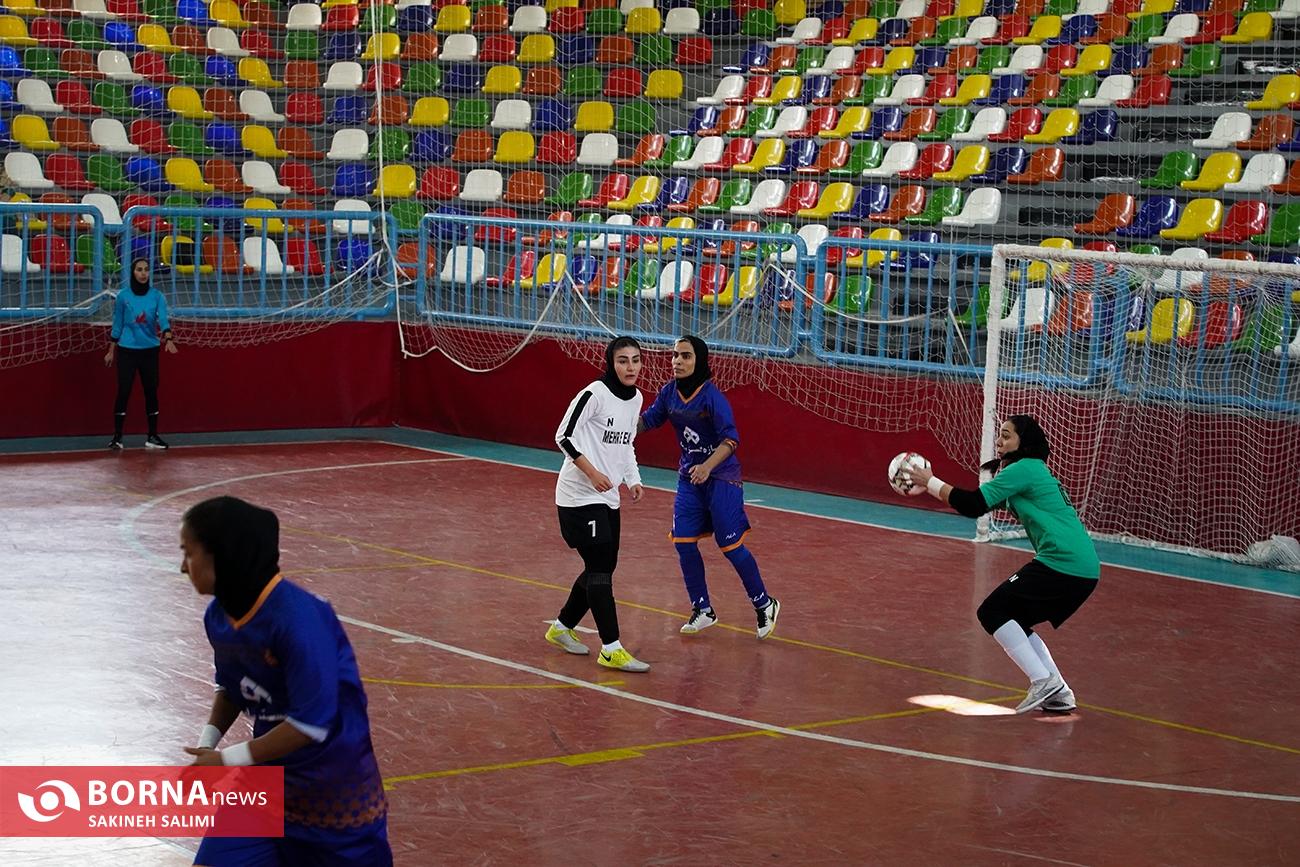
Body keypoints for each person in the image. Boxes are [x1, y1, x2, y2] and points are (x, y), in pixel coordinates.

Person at [180, 496, 393, 866]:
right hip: (265, 782)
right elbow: (232, 687)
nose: (183, 566)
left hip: (332, 791)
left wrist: (225, 761)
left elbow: (309, 725)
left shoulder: (299, 619)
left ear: (222, 555)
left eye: (189, 553)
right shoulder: (219, 616)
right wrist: (207, 746)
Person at [907, 415, 1099, 714]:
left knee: (992, 611)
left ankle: (1043, 681)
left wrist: (928, 481)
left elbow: (972, 503)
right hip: (1081, 568)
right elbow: (973, 505)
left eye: (1007, 435)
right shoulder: (1029, 472)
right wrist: (934, 486)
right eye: (1000, 434)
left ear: (1025, 441)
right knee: (1015, 619)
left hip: (1063, 561)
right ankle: (1059, 693)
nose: (999, 441)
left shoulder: (1025, 469)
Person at [639, 336, 781, 640]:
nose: (677, 361)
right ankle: (702, 609)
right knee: (683, 541)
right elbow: (647, 421)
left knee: (729, 545)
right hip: (690, 477)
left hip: (721, 477)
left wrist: (707, 467)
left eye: (685, 356)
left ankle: (764, 603)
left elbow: (731, 441)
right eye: (675, 355)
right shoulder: (668, 393)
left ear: (699, 360)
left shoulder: (712, 397)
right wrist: (614, 426)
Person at [546, 336, 651, 673]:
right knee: (600, 567)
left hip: (608, 496)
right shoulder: (594, 394)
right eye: (623, 360)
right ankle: (611, 648)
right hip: (578, 496)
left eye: (635, 360)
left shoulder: (636, 399)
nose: (630, 367)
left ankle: (562, 627)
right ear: (611, 362)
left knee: (602, 567)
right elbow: (563, 436)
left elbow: (627, 444)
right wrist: (592, 473)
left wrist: (633, 479)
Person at [104, 258, 177, 450]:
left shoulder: (157, 296)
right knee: (124, 391)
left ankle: (152, 436)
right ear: (133, 272)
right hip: (127, 351)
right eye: (139, 270)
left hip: (149, 351)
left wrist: (168, 338)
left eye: (146, 270)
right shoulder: (123, 297)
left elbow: (163, 320)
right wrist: (111, 350)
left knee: (151, 392)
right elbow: (117, 324)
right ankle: (117, 437)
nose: (143, 273)